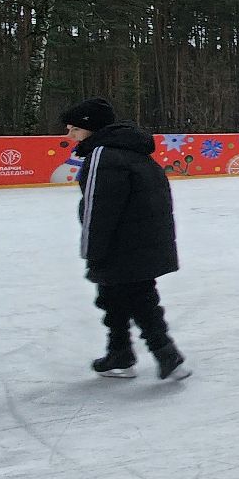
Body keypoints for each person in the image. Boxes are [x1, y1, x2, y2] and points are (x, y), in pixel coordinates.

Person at [62, 97, 190, 382]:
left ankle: (166, 354)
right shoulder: (132, 150)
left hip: (120, 244)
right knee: (112, 296)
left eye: (73, 130)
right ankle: (120, 353)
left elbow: (98, 205)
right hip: (142, 240)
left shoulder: (103, 154)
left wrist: (91, 249)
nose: (69, 136)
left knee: (137, 298)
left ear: (89, 128)